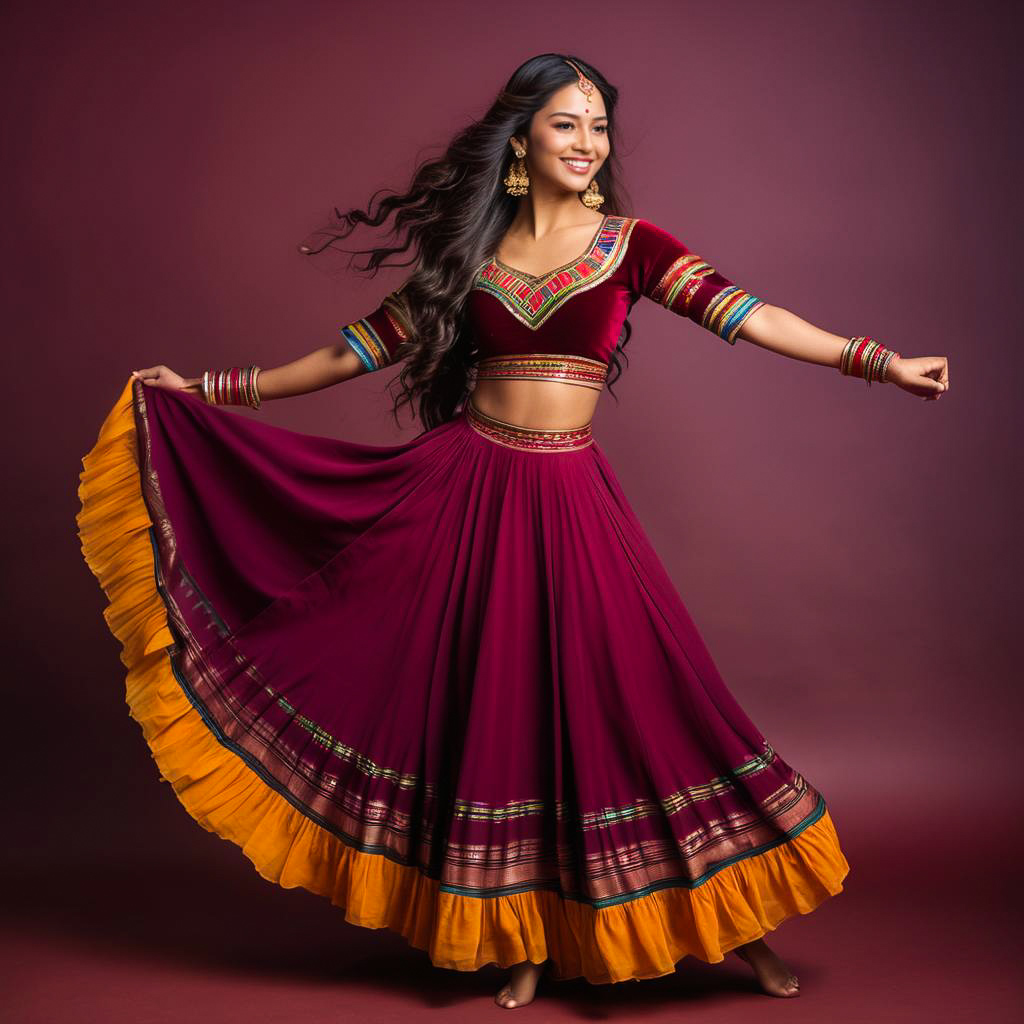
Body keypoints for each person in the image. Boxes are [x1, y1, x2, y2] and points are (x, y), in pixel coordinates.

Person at [77, 53, 949, 1010]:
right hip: (468, 495)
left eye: (600, 127)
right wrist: (209, 391)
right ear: (522, 141)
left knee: (647, 702)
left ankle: (739, 927)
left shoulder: (630, 246)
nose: (590, 144)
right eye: (568, 124)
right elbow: (347, 352)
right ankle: (523, 933)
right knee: (502, 715)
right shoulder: (470, 260)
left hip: (570, 500)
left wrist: (878, 361)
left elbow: (753, 316)